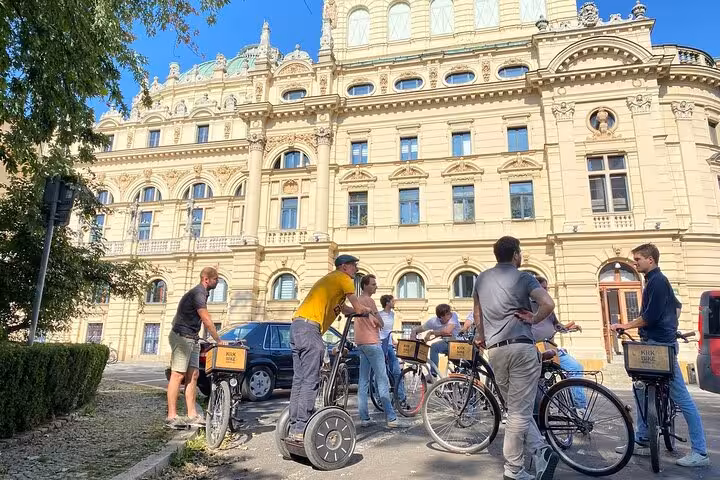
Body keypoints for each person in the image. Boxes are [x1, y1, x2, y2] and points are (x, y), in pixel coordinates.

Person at [610, 244, 710, 467]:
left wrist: (624, 324)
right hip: (658, 343)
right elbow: (675, 308)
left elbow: (649, 317)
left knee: (681, 398)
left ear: (650, 261)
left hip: (659, 346)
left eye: (637, 259)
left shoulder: (657, 281)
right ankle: (644, 439)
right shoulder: (655, 281)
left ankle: (700, 452)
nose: (635, 263)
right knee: (640, 389)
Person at [473, 236, 559, 480]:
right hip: (521, 348)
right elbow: (548, 303)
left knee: (515, 407)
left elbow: (477, 312)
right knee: (520, 412)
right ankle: (513, 470)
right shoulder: (523, 277)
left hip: (496, 350)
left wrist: (481, 335)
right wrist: (533, 319)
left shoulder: (481, 278)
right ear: (515, 255)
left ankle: (540, 452)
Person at [287, 254, 372, 442]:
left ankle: (294, 425)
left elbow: (345, 309)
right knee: (310, 380)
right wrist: (365, 310)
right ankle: (301, 427)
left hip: (297, 327)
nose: (356, 270)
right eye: (353, 266)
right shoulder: (344, 279)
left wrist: (358, 311)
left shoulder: (331, 281)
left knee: (299, 380)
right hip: (310, 330)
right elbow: (357, 307)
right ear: (344, 267)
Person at [166, 267, 222, 429]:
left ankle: (192, 415)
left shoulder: (201, 293)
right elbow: (206, 318)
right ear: (206, 279)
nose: (217, 282)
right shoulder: (198, 293)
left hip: (192, 338)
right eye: (216, 279)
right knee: (177, 375)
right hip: (182, 337)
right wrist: (218, 339)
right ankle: (172, 416)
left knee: (194, 375)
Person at [530, 276, 586, 408]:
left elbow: (555, 324)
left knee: (576, 367)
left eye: (546, 288)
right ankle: (539, 415)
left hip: (551, 347)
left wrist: (567, 328)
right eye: (542, 288)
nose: (545, 291)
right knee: (539, 381)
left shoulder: (548, 306)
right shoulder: (526, 305)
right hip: (535, 349)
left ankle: (579, 407)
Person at [356, 275, 398, 427]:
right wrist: (376, 319)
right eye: (373, 284)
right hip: (373, 343)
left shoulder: (357, 300)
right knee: (382, 379)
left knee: (363, 381)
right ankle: (392, 418)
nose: (376, 287)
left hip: (360, 343)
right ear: (365, 285)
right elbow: (380, 323)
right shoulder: (369, 301)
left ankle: (364, 418)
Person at [411, 303, 461, 376]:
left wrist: (431, 333)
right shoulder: (433, 322)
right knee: (435, 346)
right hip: (447, 343)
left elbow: (447, 331)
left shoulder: (453, 316)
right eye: (447, 314)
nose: (450, 315)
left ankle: (433, 374)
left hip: (457, 342)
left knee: (434, 347)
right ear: (441, 317)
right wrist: (413, 334)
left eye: (449, 313)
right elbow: (419, 329)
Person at [378, 294, 407, 409]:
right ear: (387, 302)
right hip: (381, 346)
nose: (394, 302)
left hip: (389, 346)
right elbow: (379, 332)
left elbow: (388, 332)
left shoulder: (393, 315)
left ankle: (401, 398)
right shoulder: (379, 315)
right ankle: (381, 399)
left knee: (396, 372)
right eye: (393, 301)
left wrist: (394, 341)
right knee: (380, 374)